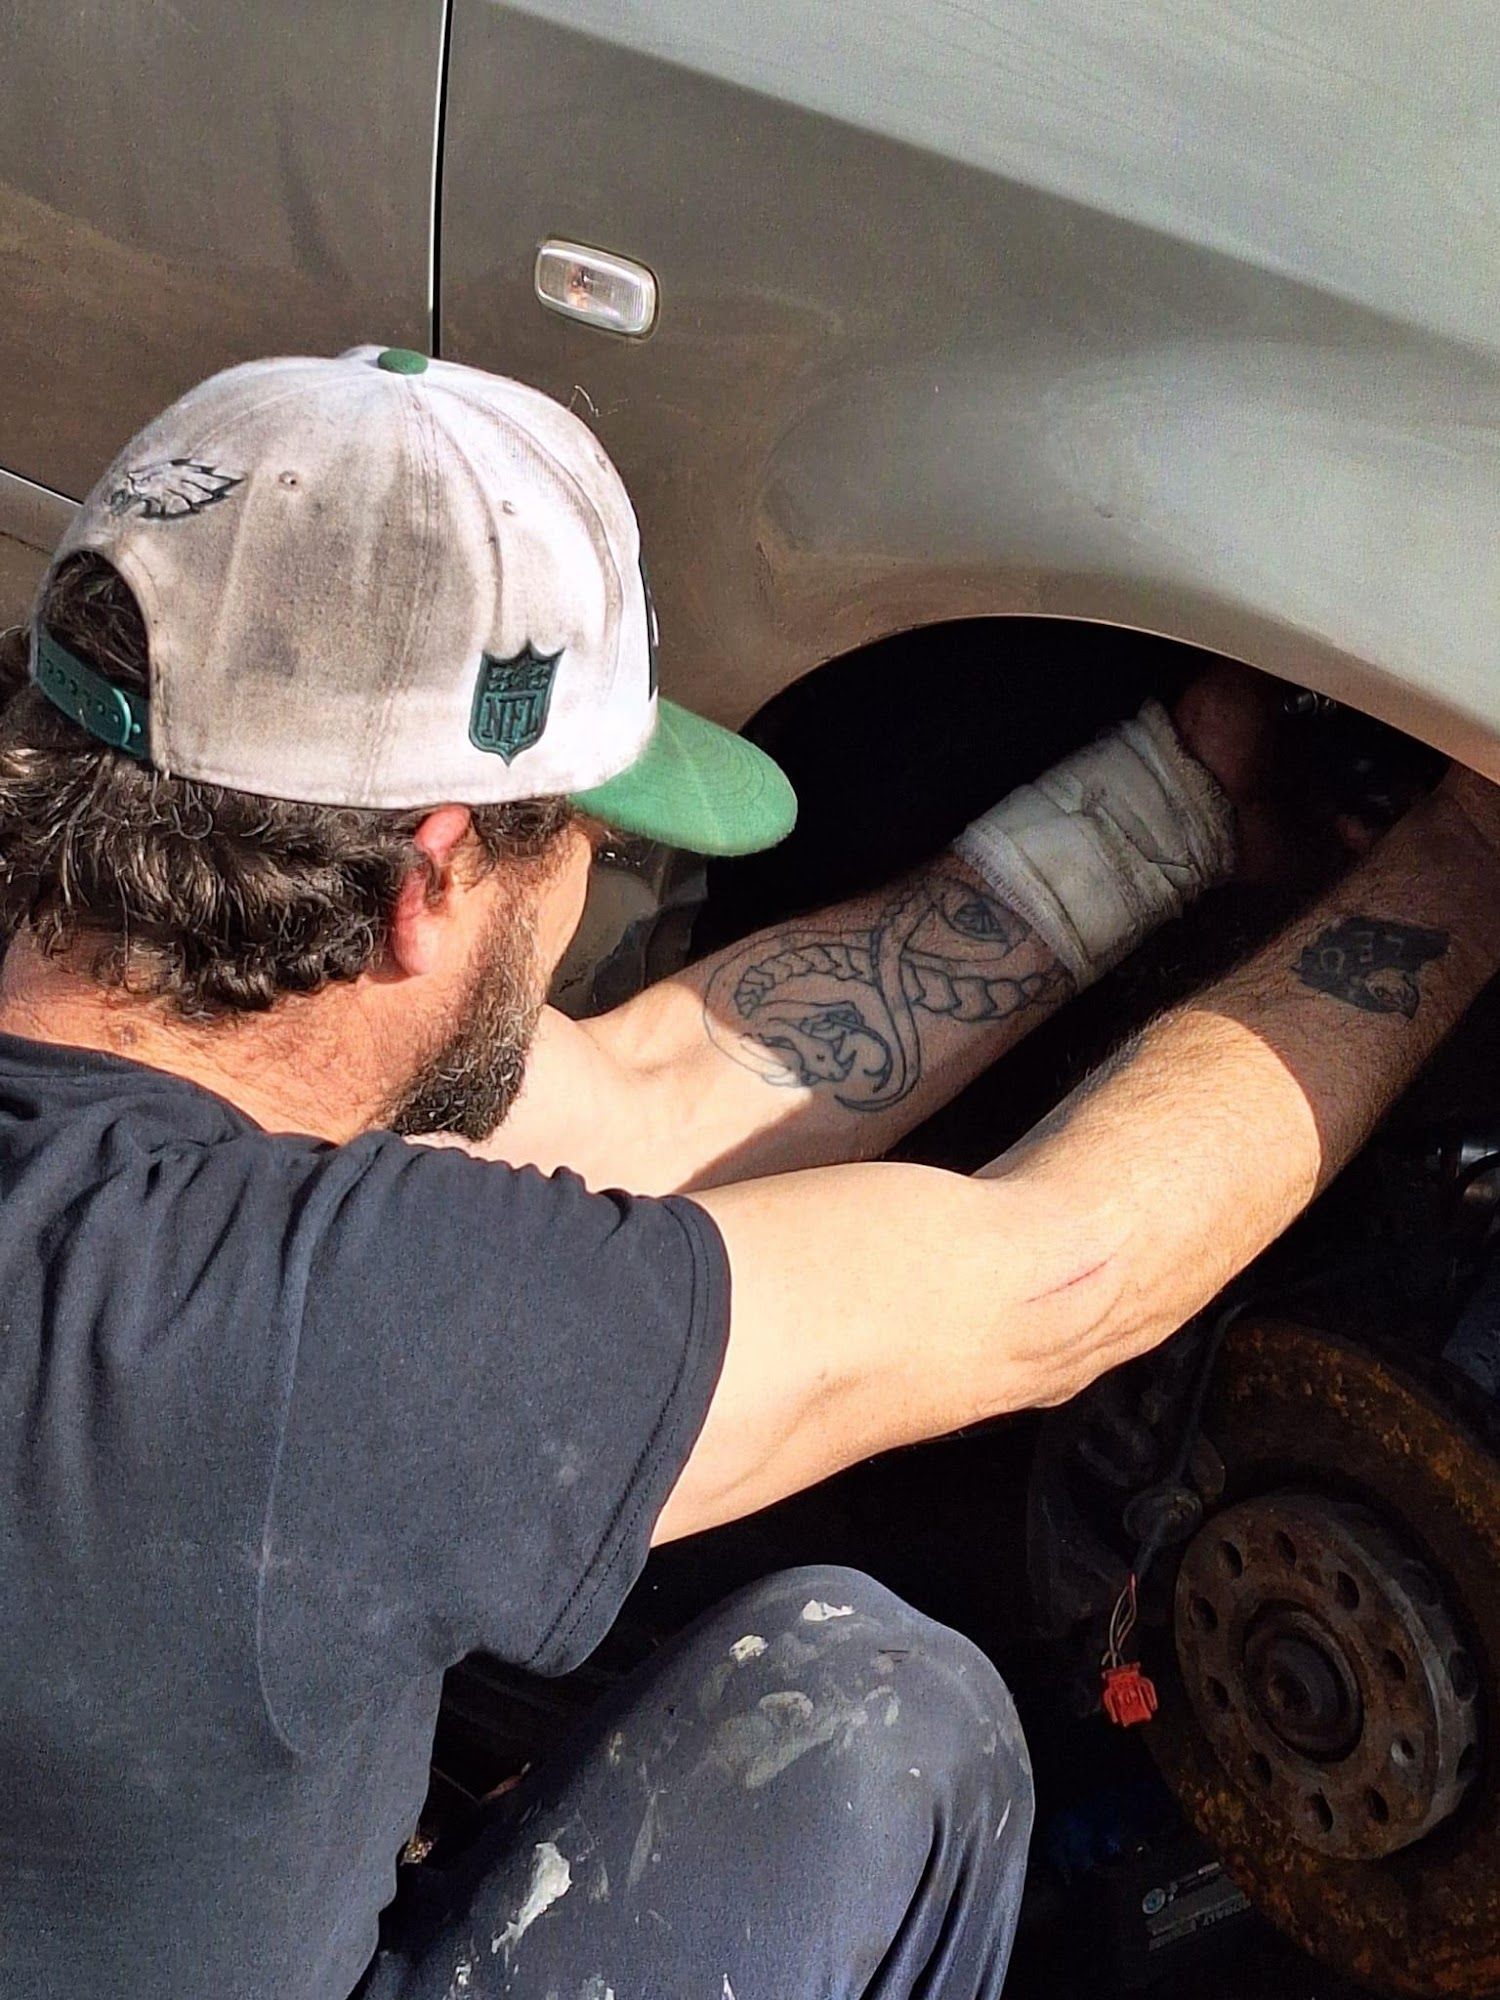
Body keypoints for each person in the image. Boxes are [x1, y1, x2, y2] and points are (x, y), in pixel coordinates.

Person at [0, 347, 1495, 2000]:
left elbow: (643, 1095)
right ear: (429, 878)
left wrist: (1167, 808)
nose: (591, 885)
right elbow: (1056, 1274)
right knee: (876, 1729)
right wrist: (1467, 870)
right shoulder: (325, 1345)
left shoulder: (152, 1153)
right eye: (591, 836)